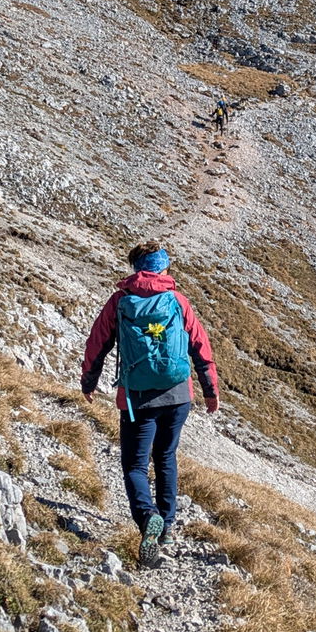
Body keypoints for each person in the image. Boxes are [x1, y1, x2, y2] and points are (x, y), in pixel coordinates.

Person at [80, 241, 220, 567]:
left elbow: (96, 343)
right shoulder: (177, 301)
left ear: (137, 269)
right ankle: (167, 526)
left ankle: (147, 518)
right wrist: (210, 390)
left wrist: (89, 382)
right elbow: (200, 346)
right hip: (177, 396)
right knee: (166, 457)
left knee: (135, 465)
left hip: (136, 399)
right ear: (164, 268)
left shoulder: (120, 301)